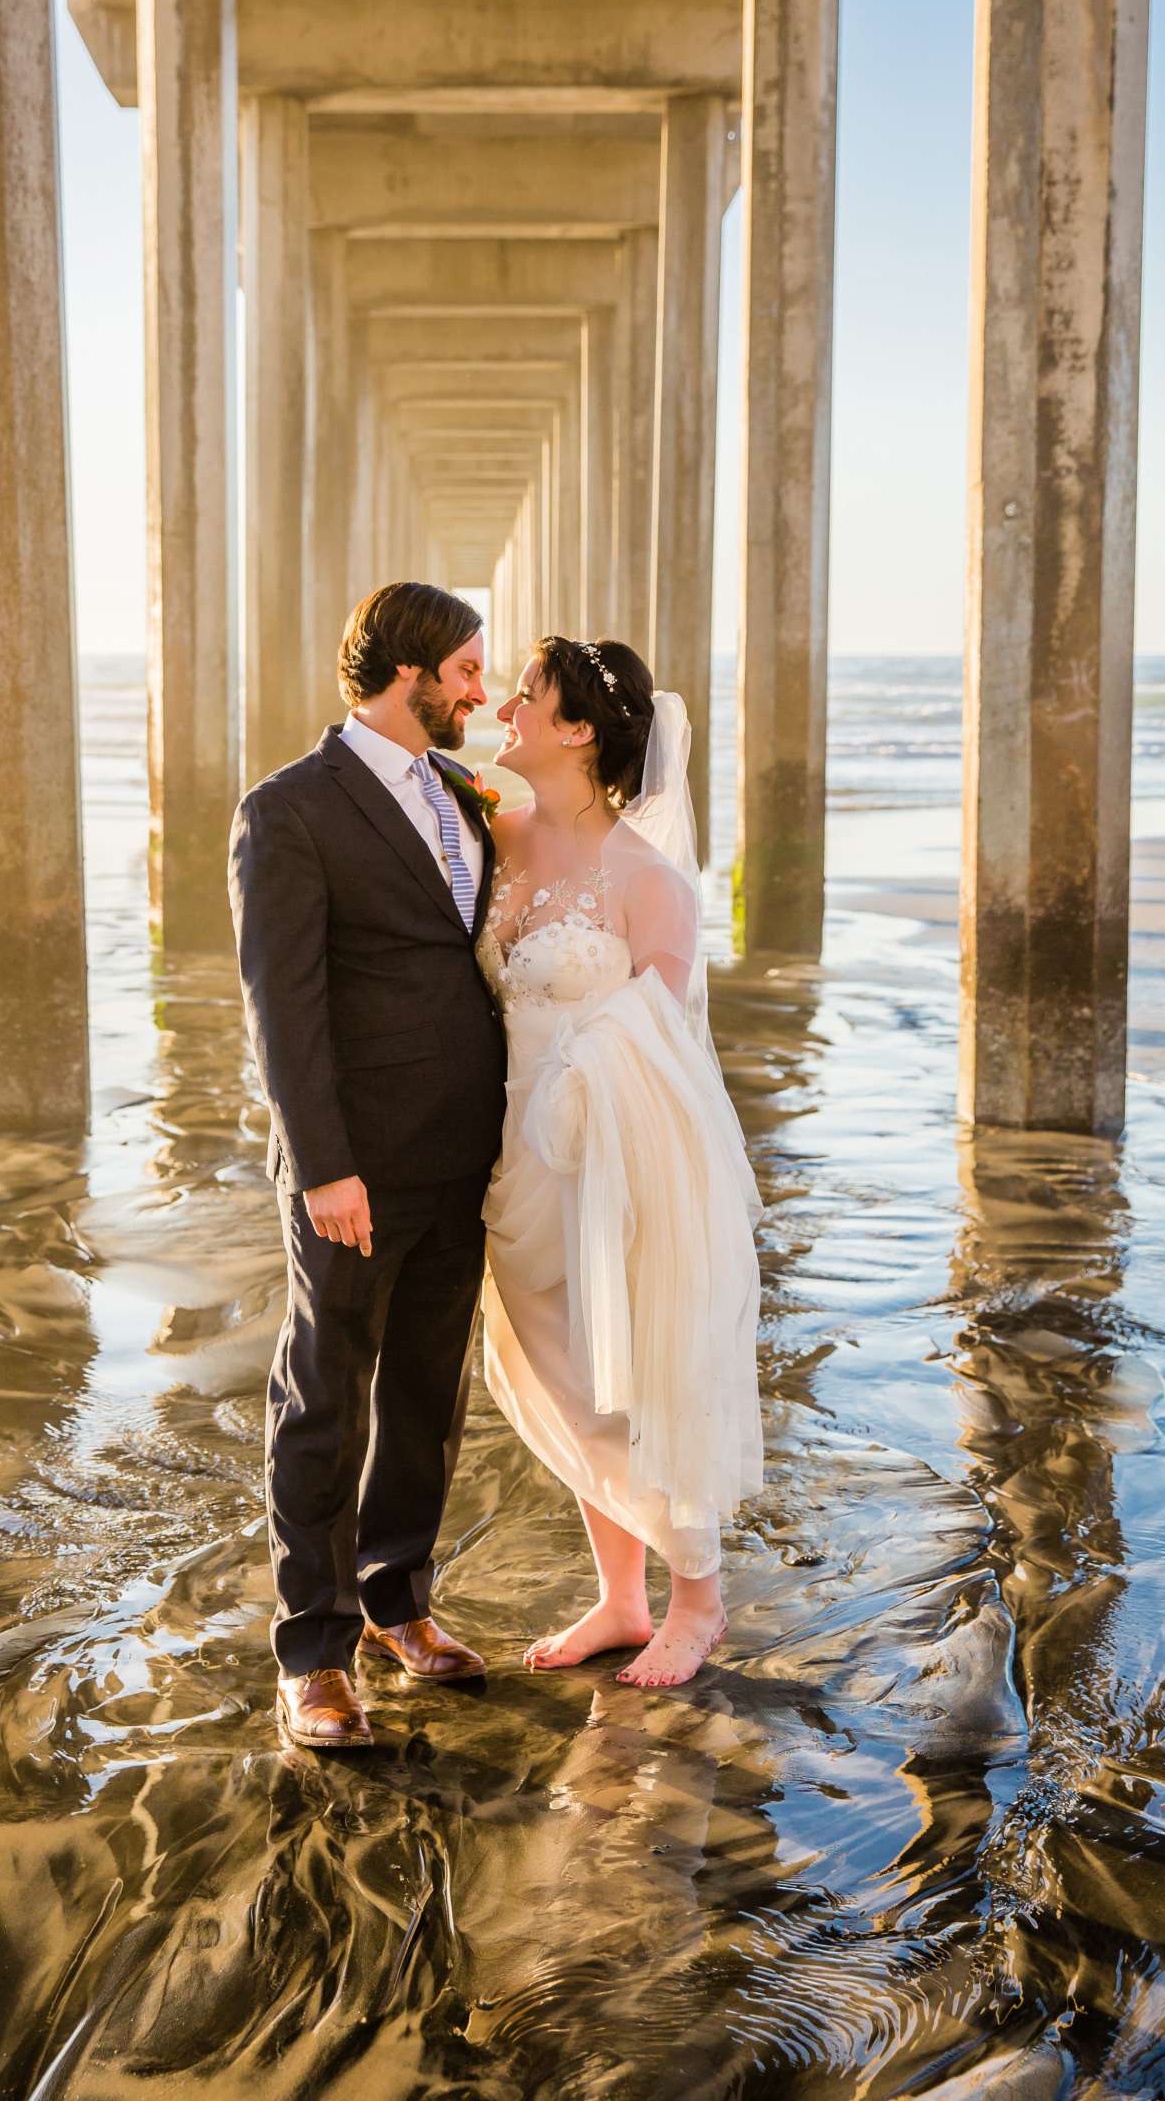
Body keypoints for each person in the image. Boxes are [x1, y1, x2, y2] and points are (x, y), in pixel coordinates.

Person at [228, 582, 508, 1750]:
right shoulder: (288, 809)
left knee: (428, 1395)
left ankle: (399, 1601)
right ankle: (314, 1652)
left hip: (463, 1152)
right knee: (327, 1397)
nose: (479, 694)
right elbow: (281, 1008)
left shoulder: (459, 794)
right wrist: (323, 1167)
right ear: (410, 670)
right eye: (465, 673)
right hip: (354, 1168)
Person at [478, 636, 765, 1687]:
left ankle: (698, 1599)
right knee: (561, 1372)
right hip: (512, 1151)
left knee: (636, 1367)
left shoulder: (646, 879)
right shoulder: (496, 839)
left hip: (615, 1154)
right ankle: (621, 1596)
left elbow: (672, 1041)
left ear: (579, 731)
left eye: (526, 694)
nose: (504, 705)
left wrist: (594, 1075)